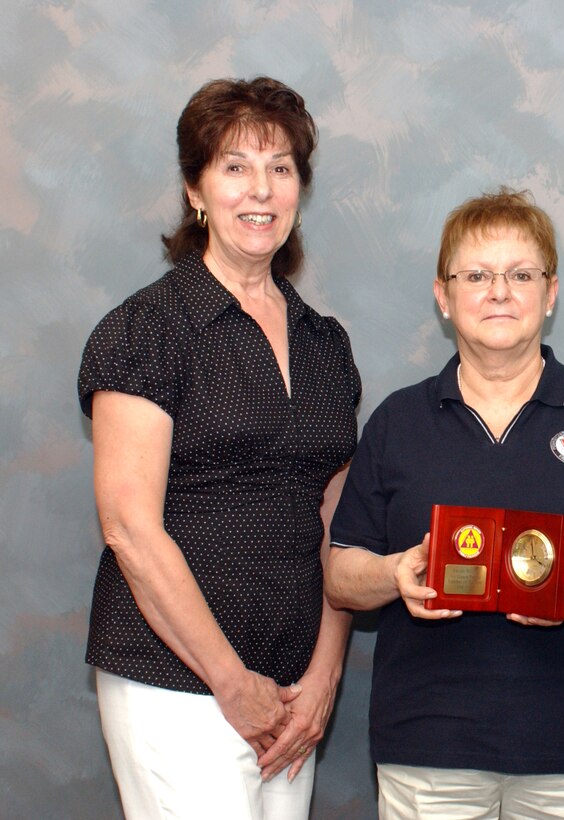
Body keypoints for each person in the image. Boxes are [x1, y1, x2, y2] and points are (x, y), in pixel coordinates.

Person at [325, 187, 564, 819]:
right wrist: (395, 574)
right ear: (443, 296)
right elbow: (342, 576)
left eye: (520, 274)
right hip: (428, 745)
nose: (499, 292)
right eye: (476, 275)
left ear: (551, 292)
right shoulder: (397, 420)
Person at [78, 77, 361, 818]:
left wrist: (325, 672)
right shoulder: (148, 331)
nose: (259, 189)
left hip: (292, 688)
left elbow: (340, 528)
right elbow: (131, 530)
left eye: (281, 167)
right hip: (173, 679)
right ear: (195, 191)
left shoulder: (326, 345)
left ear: (300, 188)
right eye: (235, 166)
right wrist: (231, 682)